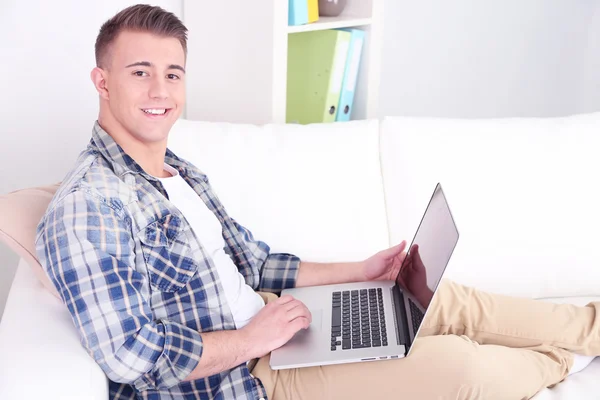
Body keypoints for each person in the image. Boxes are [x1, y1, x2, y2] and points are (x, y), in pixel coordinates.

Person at [34, 4, 599, 400]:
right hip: (248, 379)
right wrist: (252, 340)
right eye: (140, 73)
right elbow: (130, 356)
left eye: (172, 73)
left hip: (274, 321)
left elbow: (255, 262)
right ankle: (567, 359)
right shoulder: (89, 207)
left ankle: (590, 328)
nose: (161, 91)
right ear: (102, 81)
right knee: (463, 369)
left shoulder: (178, 169)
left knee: (440, 299)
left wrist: (364, 270)